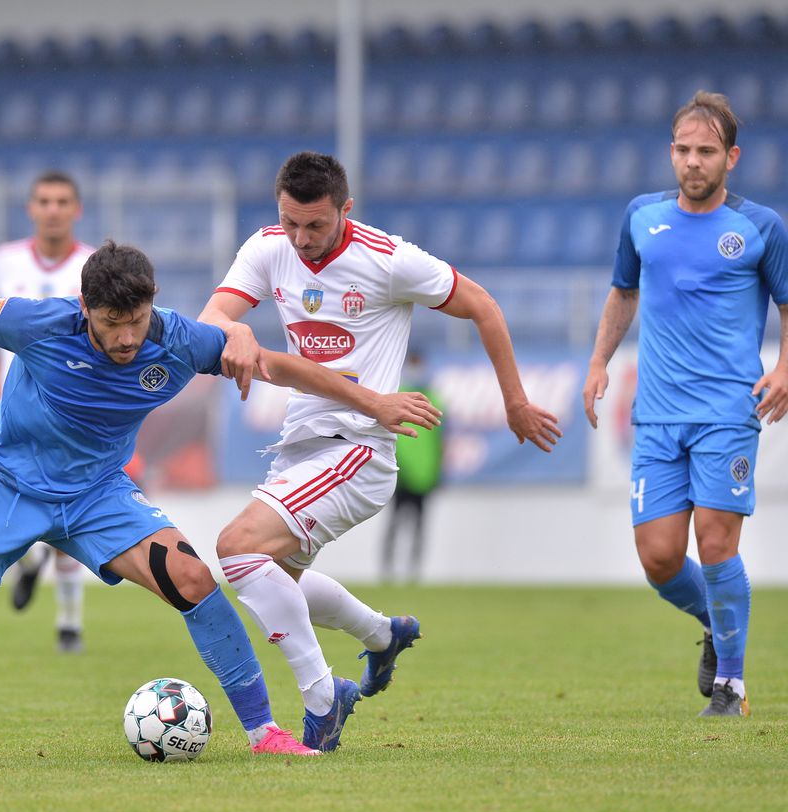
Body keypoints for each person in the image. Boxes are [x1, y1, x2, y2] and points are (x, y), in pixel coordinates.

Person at [0, 240, 441, 761]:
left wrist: (373, 401)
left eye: (136, 320)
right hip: (6, 482)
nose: (127, 338)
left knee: (195, 580)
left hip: (97, 494)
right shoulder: (38, 323)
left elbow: (277, 365)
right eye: (113, 322)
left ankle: (264, 733)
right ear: (85, 309)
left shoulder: (178, 340)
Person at [199, 151, 561, 751]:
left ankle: (324, 698)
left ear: (346, 209)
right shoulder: (267, 248)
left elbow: (484, 307)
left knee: (237, 548)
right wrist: (234, 328)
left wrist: (515, 402)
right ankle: (382, 635)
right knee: (276, 583)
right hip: (302, 442)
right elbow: (213, 316)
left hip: (359, 448)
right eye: (290, 222)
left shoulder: (388, 260)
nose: (301, 238)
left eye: (316, 225)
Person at [582, 91, 788, 718]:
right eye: (683, 150)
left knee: (715, 542)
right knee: (660, 558)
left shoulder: (761, 227)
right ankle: (717, 624)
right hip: (656, 413)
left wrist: (785, 367)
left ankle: (731, 686)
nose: (693, 161)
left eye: (706, 151)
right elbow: (623, 292)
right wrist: (598, 361)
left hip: (728, 411)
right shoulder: (642, 217)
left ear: (731, 158)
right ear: (670, 152)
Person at [0, 170, 95, 653]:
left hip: (72, 410)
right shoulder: (6, 260)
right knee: (15, 510)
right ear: (31, 208)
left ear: (77, 209)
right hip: (14, 410)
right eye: (44, 201)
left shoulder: (92, 264)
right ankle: (30, 556)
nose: (53, 210)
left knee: (70, 512)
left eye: (62, 201)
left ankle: (69, 625)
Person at [380, 350, 442, 583]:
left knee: (418, 527)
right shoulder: (398, 397)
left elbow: (439, 441)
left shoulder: (435, 400)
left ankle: (413, 572)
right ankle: (387, 571)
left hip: (424, 476)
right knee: (395, 524)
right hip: (401, 474)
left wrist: (438, 472)